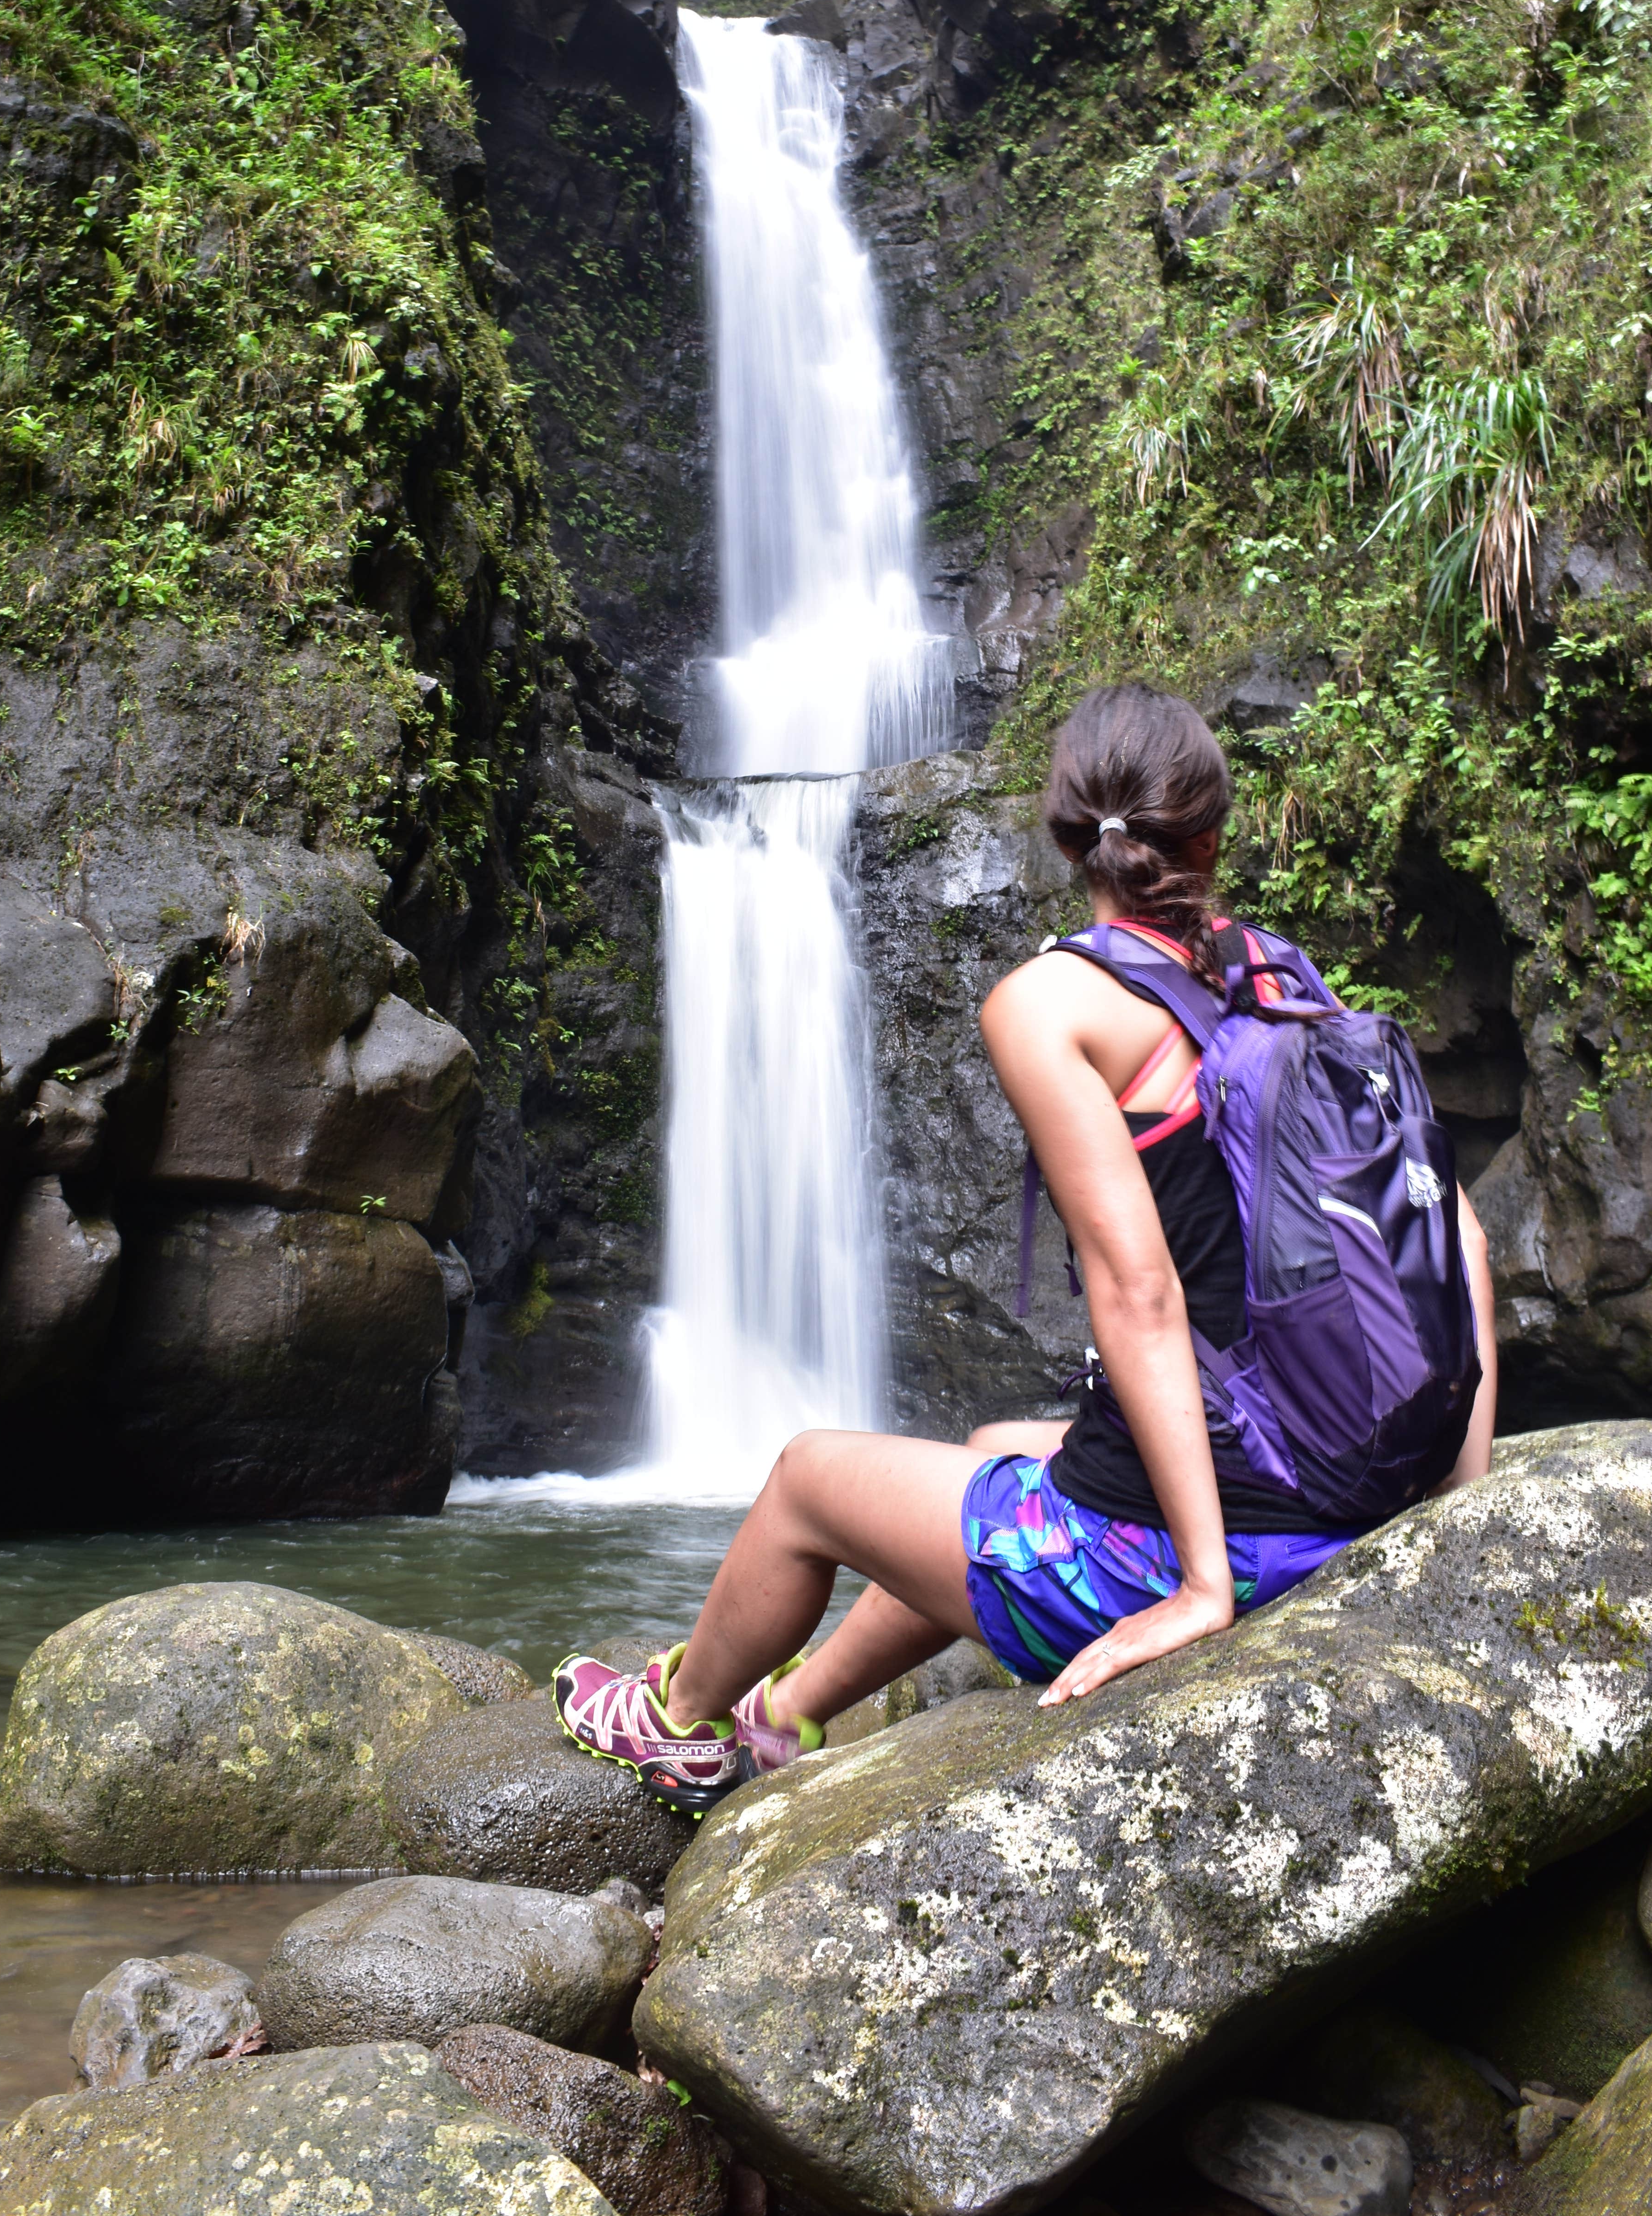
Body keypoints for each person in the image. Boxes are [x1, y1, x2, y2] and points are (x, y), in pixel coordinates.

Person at [554, 683, 1499, 1814]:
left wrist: (1200, 1589)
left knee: (807, 1479)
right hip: (1350, 1481)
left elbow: (1138, 1294)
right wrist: (1455, 1491)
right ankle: (785, 1713)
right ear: (1212, 831)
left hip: (1211, 1553)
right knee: (996, 1441)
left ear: (1064, 838)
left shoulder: (1051, 1002)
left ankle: (677, 1724)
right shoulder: (1275, 974)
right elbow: (1446, 1220)